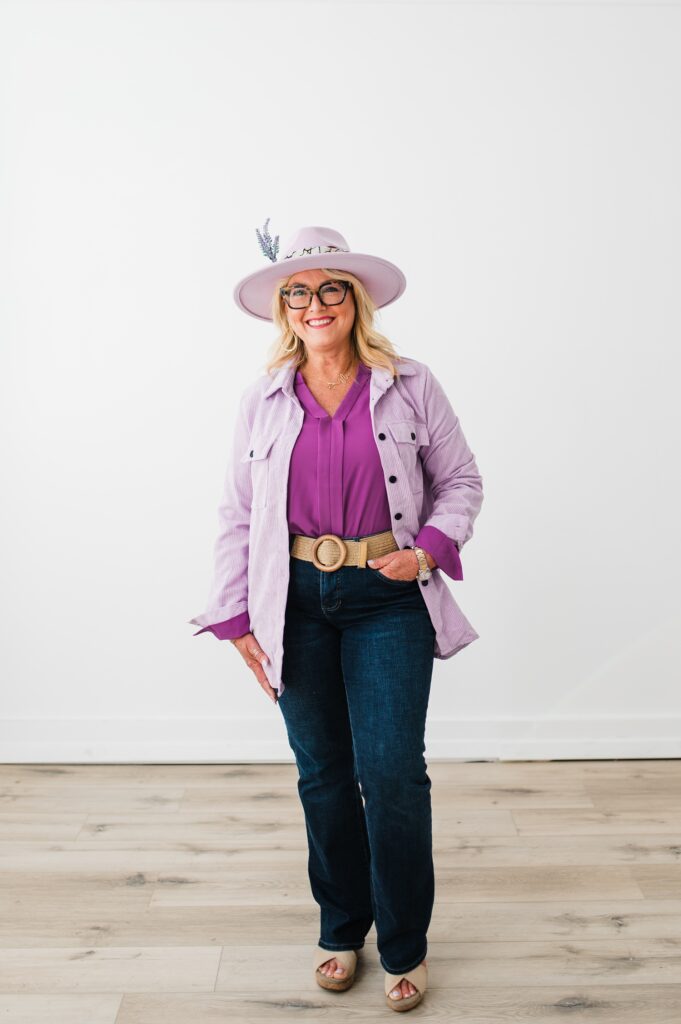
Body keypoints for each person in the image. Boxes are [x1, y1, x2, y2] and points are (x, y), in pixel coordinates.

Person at [189, 221, 484, 1012]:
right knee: (321, 774)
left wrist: (423, 549)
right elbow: (235, 513)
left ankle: (405, 944)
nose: (314, 304)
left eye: (328, 290)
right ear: (282, 308)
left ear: (352, 301)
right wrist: (234, 615)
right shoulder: (261, 399)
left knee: (389, 774)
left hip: (386, 597)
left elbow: (460, 481)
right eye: (297, 292)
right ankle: (340, 929)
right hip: (292, 601)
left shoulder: (410, 383)